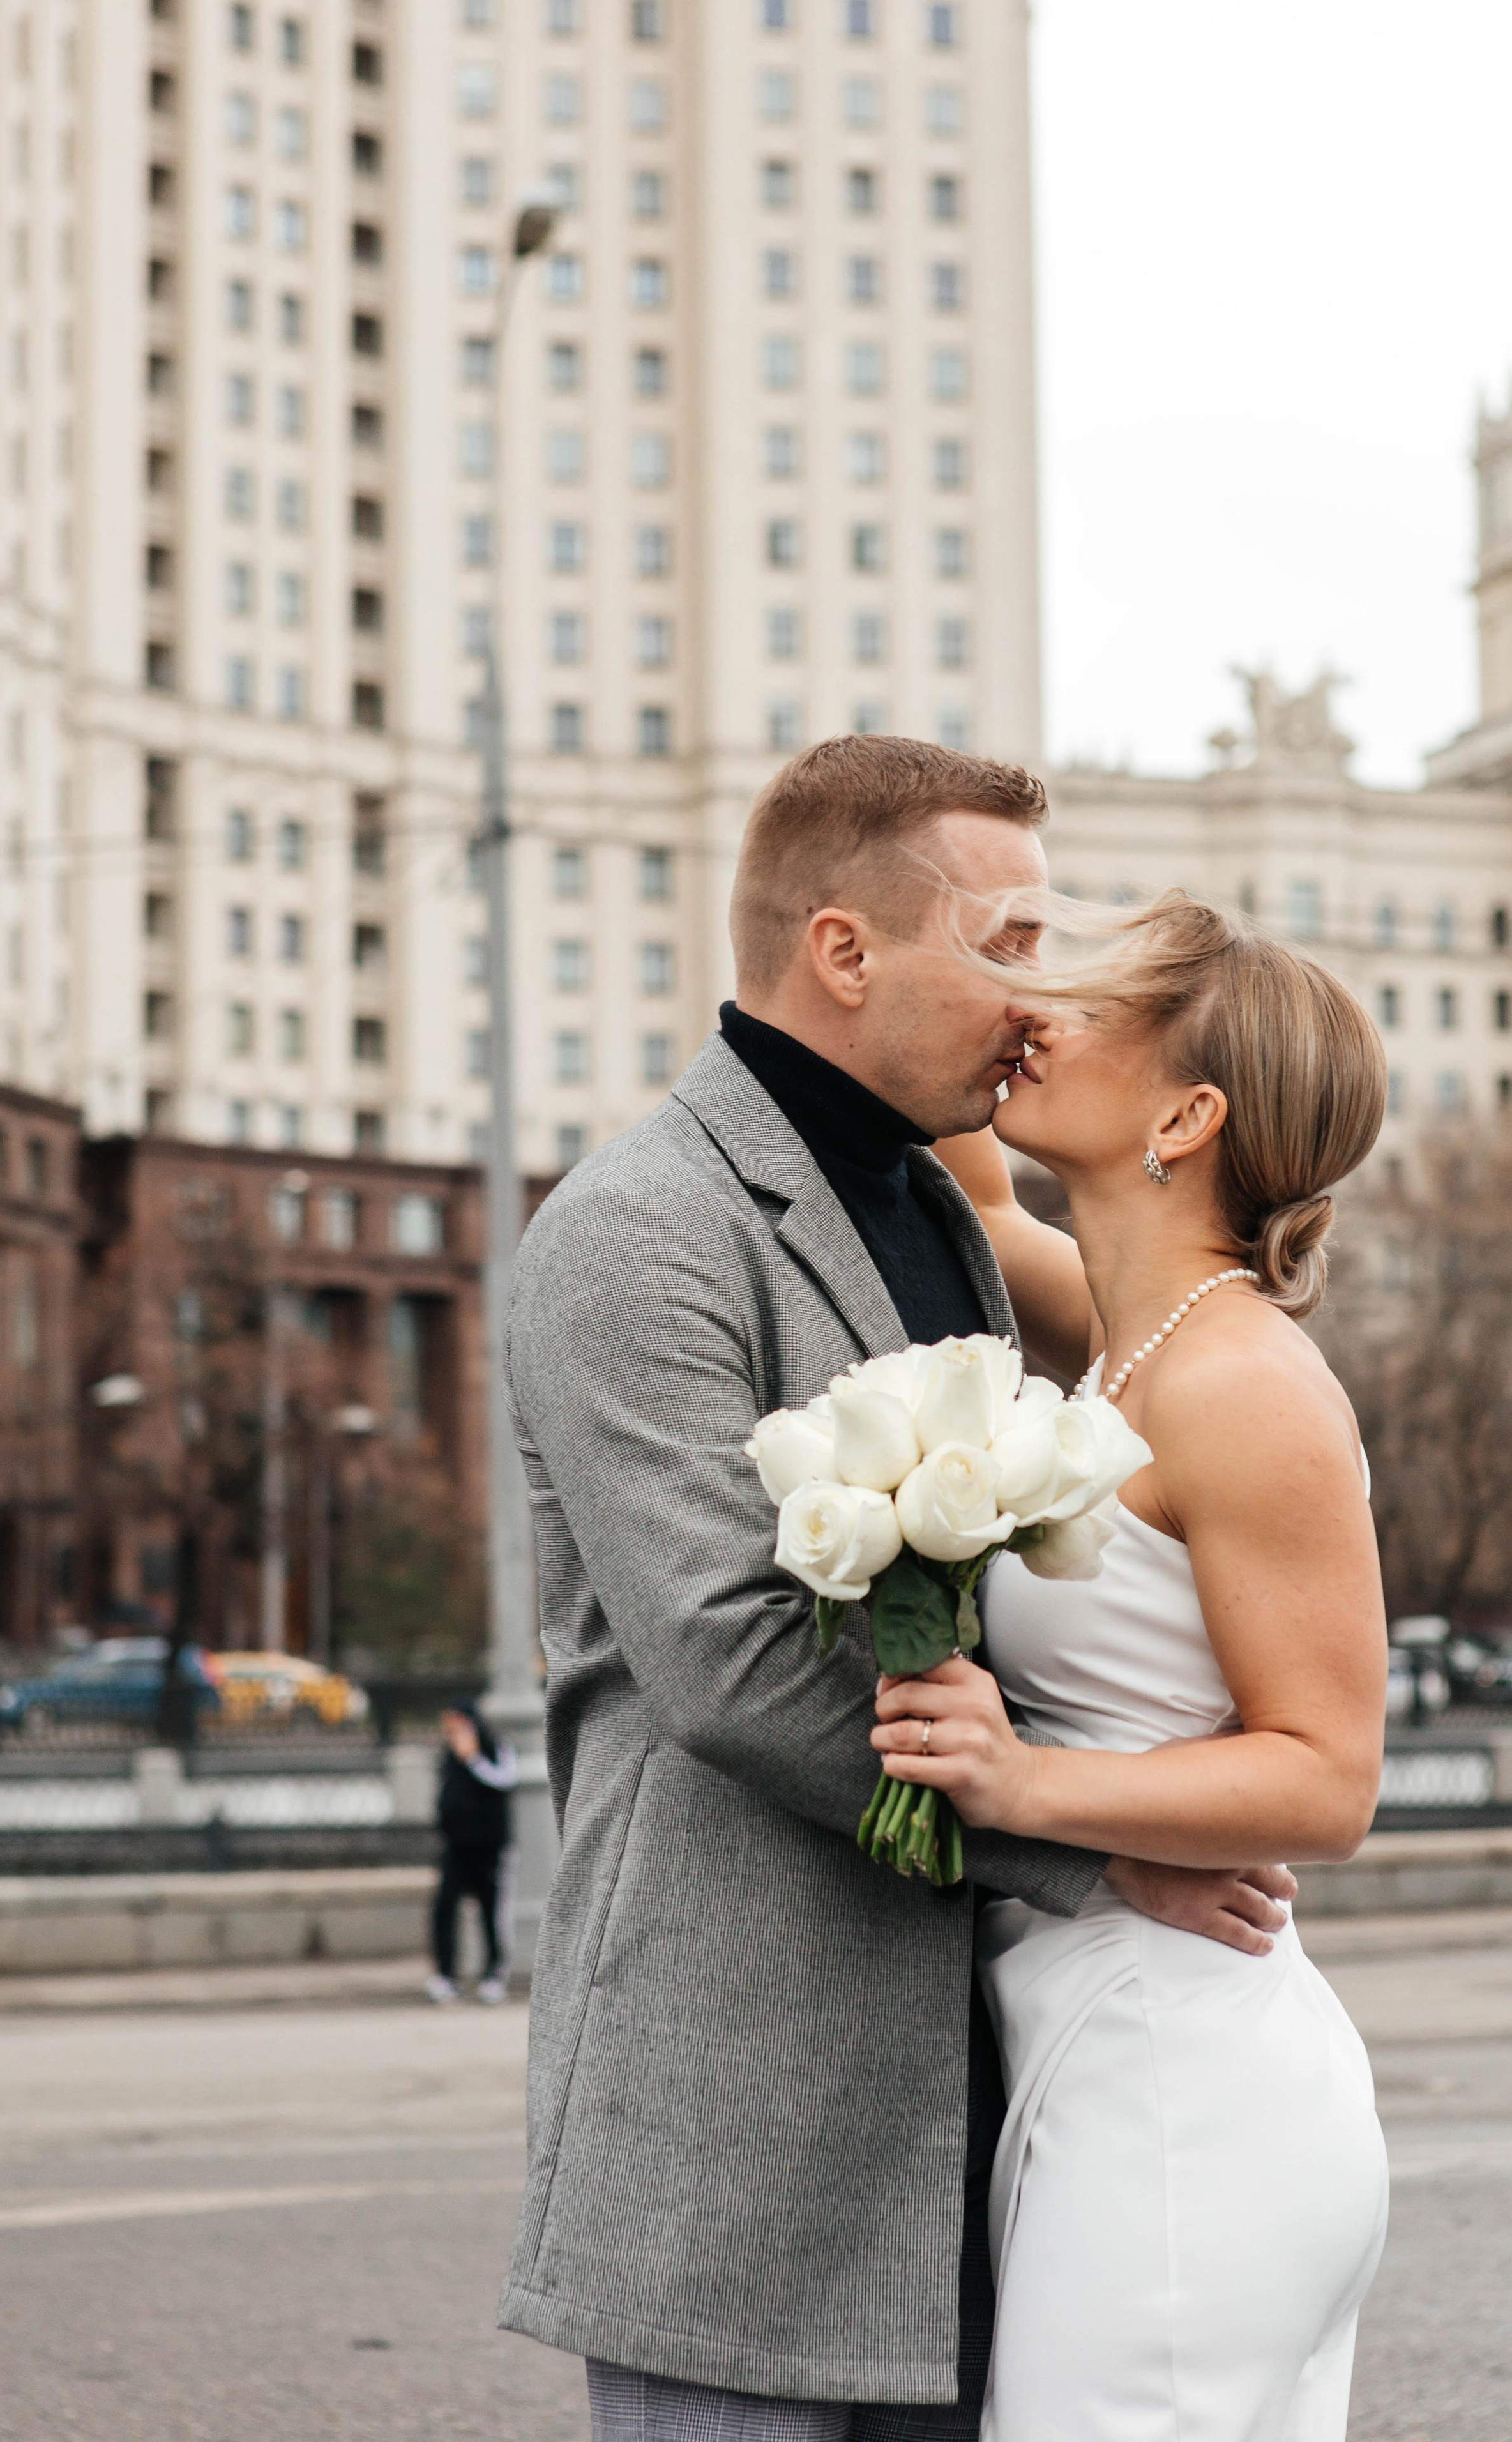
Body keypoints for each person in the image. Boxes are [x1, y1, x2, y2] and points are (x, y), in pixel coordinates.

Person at [497, 736, 1297, 2441]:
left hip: (970, 2120)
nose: (1037, 1000)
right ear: (845, 952)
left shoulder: (941, 1200)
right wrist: (1093, 1844)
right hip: (739, 2122)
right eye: (1007, 946)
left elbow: (1187, 1394)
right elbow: (724, 1662)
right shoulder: (635, 1229)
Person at [872, 890, 1391, 2438]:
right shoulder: (1127, 1335)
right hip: (1115, 2043)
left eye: (1093, 1004)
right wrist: (989, 950)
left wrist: (1022, 1779)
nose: (1041, 1017)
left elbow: (1328, 1772)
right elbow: (974, 1185)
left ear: (1183, 1111)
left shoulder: (1237, 1378)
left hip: (1188, 2091)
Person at [427, 1703, 520, 2006]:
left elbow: (505, 1781)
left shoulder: (496, 1748)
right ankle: (445, 1975)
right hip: (456, 1846)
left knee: (491, 1909)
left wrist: (474, 1759)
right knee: (444, 1908)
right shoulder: (449, 1755)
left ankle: (494, 1974)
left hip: (488, 1847)